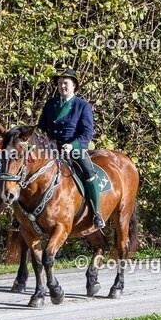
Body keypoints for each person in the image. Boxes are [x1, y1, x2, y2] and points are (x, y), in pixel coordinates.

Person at [37, 67, 106, 229]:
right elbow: (41, 128)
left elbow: (87, 132)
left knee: (89, 173)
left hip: (74, 149)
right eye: (60, 83)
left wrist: (72, 145)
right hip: (51, 149)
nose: (62, 86)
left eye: (66, 83)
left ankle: (96, 213)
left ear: (74, 86)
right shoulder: (50, 104)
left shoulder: (82, 106)